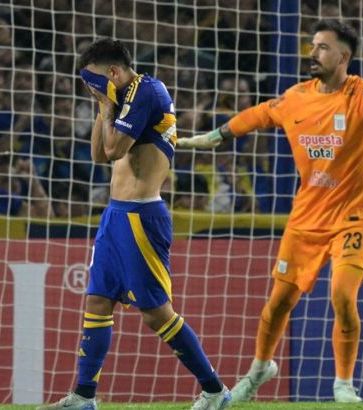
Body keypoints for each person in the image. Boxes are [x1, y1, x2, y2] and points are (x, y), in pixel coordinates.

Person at [177, 19, 363, 403]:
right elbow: (257, 115)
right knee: (278, 304)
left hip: (354, 219)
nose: (313, 52)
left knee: (342, 295)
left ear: (344, 56)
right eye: (312, 45)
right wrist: (214, 136)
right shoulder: (295, 98)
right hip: (305, 221)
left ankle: (343, 383)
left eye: (322, 47)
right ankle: (259, 370)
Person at [37, 38, 231, 410]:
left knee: (156, 313)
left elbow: (115, 150)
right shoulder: (120, 98)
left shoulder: (148, 92)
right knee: (97, 300)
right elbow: (98, 155)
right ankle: (84, 397)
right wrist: (103, 106)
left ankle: (214, 390)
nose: (92, 88)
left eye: (94, 81)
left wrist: (105, 105)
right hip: (115, 214)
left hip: (142, 215)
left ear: (113, 72)